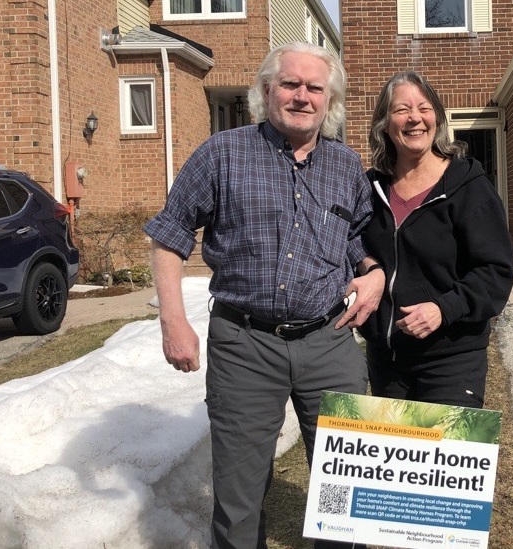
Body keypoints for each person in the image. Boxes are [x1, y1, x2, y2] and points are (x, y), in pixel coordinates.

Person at [143, 42, 383, 548]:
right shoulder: (220, 154)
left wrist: (375, 272)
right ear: (267, 90)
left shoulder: (345, 165)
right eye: (290, 84)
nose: (302, 96)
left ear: (329, 100)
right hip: (245, 344)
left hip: (328, 341)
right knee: (239, 495)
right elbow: (170, 236)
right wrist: (172, 320)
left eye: (314, 87)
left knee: (346, 484)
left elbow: (360, 239)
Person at [359, 71, 513, 409]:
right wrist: (369, 266)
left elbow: (496, 271)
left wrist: (443, 309)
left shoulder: (468, 186)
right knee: (398, 460)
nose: (415, 117)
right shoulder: (369, 188)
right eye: (402, 110)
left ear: (437, 119)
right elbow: (351, 243)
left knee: (446, 456)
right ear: (385, 124)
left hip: (451, 358)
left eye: (424, 108)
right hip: (387, 358)